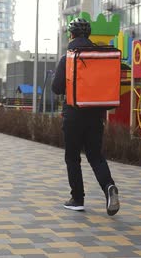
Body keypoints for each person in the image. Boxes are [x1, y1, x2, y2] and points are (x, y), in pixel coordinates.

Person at [51, 17, 120, 216]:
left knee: (72, 157)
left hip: (73, 115)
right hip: (96, 114)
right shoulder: (99, 55)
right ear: (88, 35)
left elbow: (56, 88)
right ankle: (109, 187)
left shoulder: (69, 57)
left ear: (71, 35)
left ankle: (77, 198)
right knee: (96, 156)